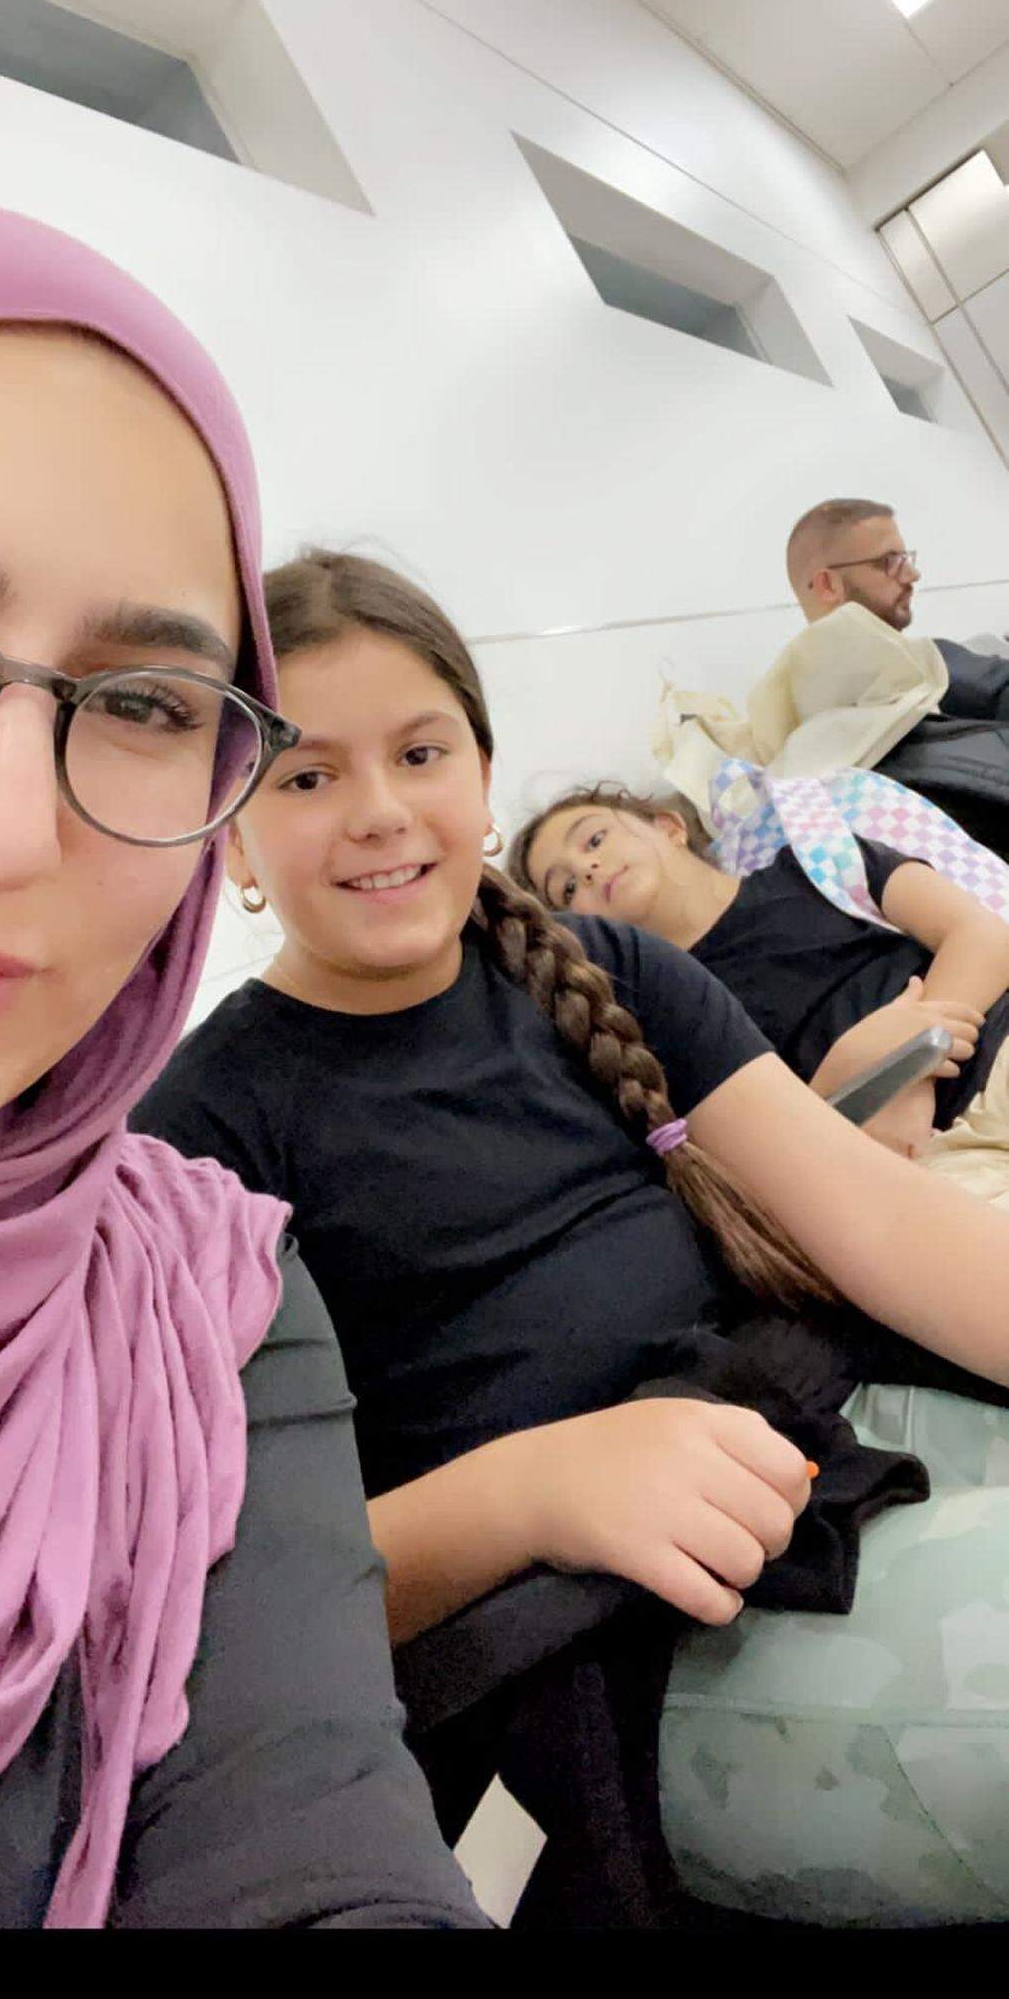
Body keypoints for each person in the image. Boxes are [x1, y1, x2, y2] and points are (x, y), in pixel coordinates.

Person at [133, 548, 1009, 1924]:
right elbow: (223, 1616)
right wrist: (534, 1489)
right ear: (232, 835)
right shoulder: (198, 1142)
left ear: (481, 778)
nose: (376, 812)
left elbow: (888, 1228)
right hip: (619, 1634)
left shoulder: (615, 974)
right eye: (305, 778)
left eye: (420, 751)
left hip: (827, 1433)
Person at [0, 210, 489, 1933]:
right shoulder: (240, 1096)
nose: (1, 831)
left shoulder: (188, 1282)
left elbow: (315, 1852)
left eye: (141, 703)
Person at [511, 780, 1009, 1192]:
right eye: (567, 889)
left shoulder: (819, 863)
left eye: (593, 840)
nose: (588, 869)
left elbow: (983, 936)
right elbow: (756, 1165)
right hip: (921, 1163)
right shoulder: (654, 1017)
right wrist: (844, 1081)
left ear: (667, 826)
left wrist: (907, 1069)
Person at [786, 497, 1009, 720]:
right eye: (888, 561)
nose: (913, 575)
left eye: (905, 558)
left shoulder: (946, 669)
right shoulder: (934, 668)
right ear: (828, 585)